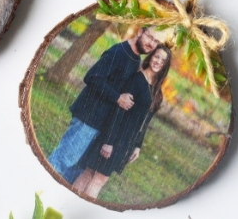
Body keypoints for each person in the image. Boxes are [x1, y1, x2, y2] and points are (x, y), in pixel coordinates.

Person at [47, 26, 161, 184]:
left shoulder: (136, 59)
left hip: (101, 124)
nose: (151, 43)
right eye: (150, 37)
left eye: (156, 41)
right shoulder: (119, 52)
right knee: (62, 161)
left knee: (74, 170)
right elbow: (92, 77)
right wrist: (117, 98)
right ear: (140, 32)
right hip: (89, 118)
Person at [72, 44, 173, 198]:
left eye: (163, 60)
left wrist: (137, 145)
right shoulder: (137, 80)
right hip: (113, 136)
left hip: (125, 142)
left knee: (92, 174)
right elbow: (118, 111)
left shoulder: (157, 92)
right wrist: (109, 141)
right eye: (156, 56)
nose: (158, 61)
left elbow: (144, 122)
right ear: (151, 57)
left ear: (166, 65)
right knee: (95, 177)